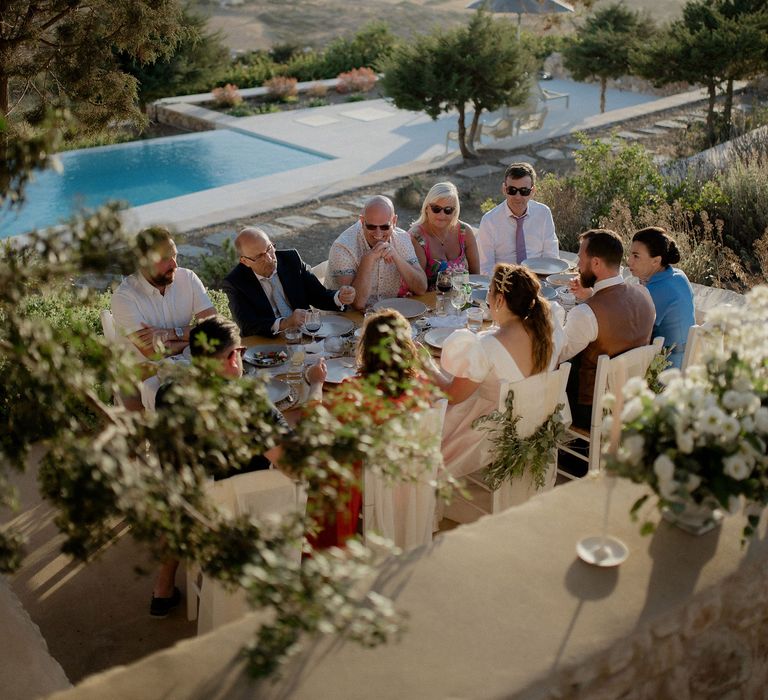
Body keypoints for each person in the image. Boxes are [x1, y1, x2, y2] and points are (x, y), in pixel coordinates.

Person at [149, 315, 325, 617]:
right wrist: (316, 388)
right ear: (233, 358)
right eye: (240, 352)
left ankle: (162, 588)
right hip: (239, 515)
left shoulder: (168, 393)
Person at [306, 309, 435, 549]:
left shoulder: (356, 392)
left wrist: (316, 384)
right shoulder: (422, 385)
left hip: (370, 482)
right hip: (409, 472)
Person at [427, 264, 563, 480]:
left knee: (426, 412)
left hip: (492, 434)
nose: (487, 298)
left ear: (500, 300)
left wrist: (425, 364)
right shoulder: (546, 333)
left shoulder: (486, 347)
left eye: (489, 292)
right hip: (530, 423)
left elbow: (451, 395)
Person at [559, 229, 655, 429]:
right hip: (629, 398)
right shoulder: (644, 294)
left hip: (592, 410)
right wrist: (591, 295)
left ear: (595, 263)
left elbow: (557, 354)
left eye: (580, 259)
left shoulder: (586, 314)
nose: (577, 265)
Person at [222, 227, 355, 337]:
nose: (269, 258)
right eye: (259, 256)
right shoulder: (235, 283)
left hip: (305, 335)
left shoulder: (291, 259)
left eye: (269, 249)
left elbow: (318, 295)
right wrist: (285, 323)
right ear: (244, 261)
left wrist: (339, 297)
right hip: (267, 343)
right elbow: (248, 325)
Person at [111, 226, 216, 358]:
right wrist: (198, 340)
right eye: (166, 258)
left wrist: (171, 334)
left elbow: (215, 328)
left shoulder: (187, 278)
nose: (174, 265)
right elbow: (153, 353)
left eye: (174, 255)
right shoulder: (124, 297)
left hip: (186, 365)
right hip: (144, 374)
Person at [327, 195, 427, 310]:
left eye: (385, 226)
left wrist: (396, 256)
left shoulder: (402, 238)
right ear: (362, 221)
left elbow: (421, 288)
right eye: (371, 226)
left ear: (394, 221)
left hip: (385, 314)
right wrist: (368, 260)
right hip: (343, 320)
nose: (378, 234)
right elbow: (356, 304)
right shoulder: (343, 247)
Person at [627, 227, 695, 369]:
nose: (629, 261)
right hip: (688, 361)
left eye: (636, 256)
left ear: (656, 261)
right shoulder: (678, 275)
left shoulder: (654, 291)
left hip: (668, 369)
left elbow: (629, 332)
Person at [477, 163, 558, 275]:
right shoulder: (489, 221)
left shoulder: (543, 213)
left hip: (539, 280)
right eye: (512, 190)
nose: (518, 197)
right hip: (504, 283)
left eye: (524, 191)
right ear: (504, 189)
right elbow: (485, 267)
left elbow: (551, 257)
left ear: (532, 191)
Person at [408, 182, 480, 288]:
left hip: (460, 300)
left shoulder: (464, 232)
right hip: (428, 301)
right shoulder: (417, 237)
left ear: (455, 212)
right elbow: (418, 286)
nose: (442, 215)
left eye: (448, 210)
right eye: (436, 209)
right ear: (427, 208)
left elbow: (475, 276)